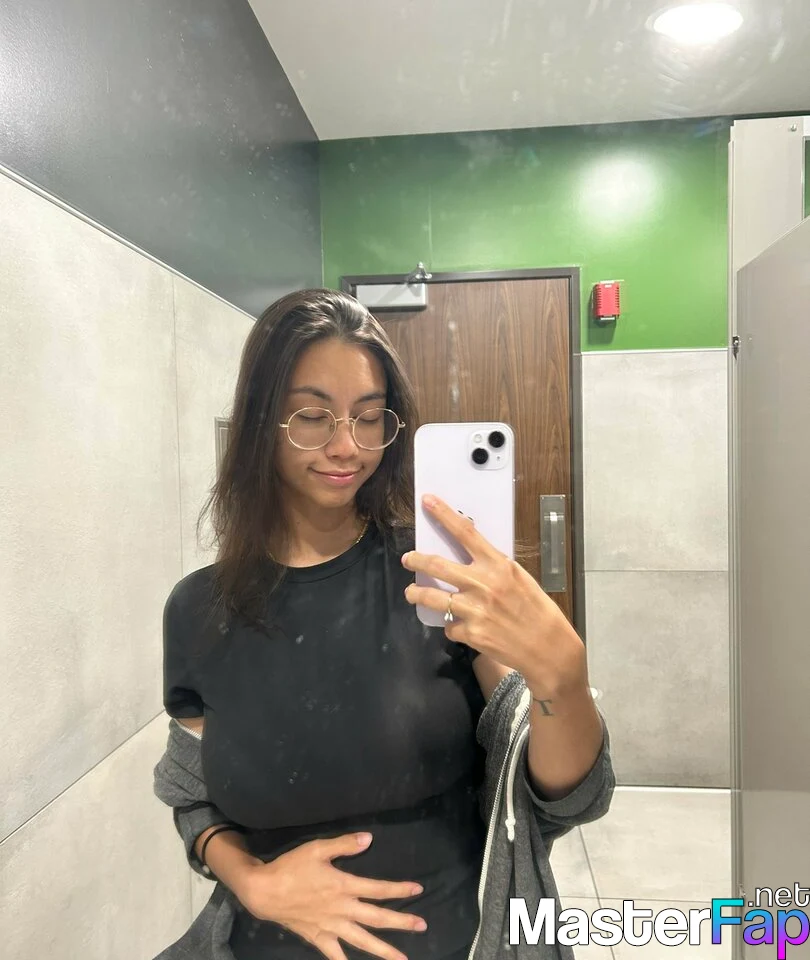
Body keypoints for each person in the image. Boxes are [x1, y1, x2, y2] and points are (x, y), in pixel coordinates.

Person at [154, 288, 612, 960]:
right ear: (259, 423)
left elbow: (570, 798)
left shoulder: (436, 578)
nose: (348, 446)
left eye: (370, 418)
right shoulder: (198, 609)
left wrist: (562, 681)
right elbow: (192, 791)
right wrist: (251, 880)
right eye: (313, 416)